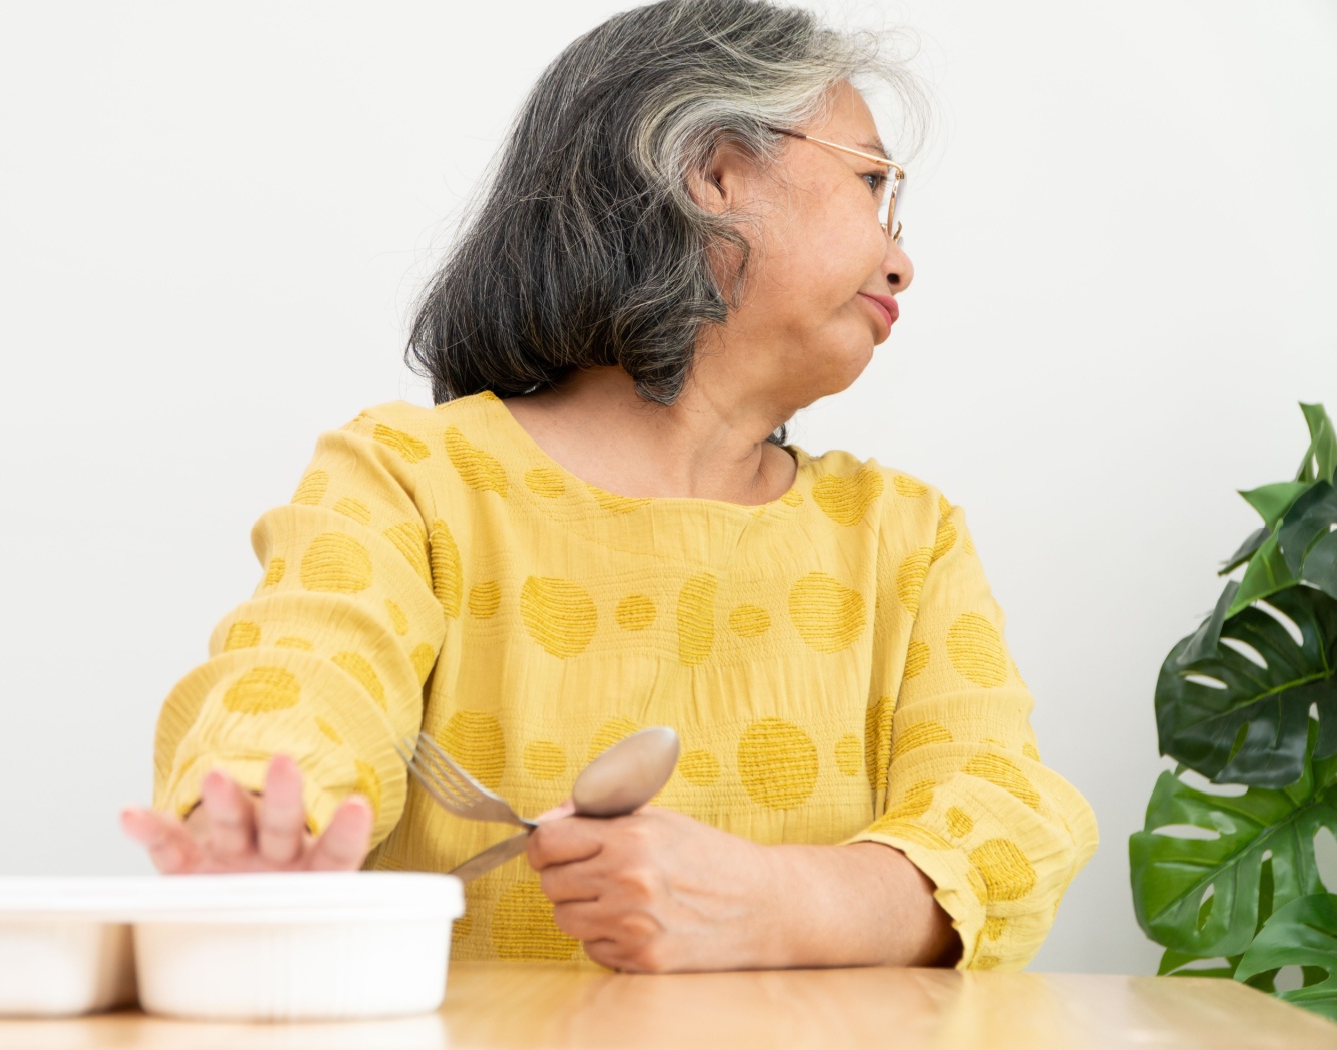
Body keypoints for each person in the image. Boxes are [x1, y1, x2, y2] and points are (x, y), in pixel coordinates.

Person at [119, 0, 1098, 974]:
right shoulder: (408, 480)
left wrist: (780, 906)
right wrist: (253, 827)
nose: (902, 257)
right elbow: (301, 685)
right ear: (714, 171)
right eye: (872, 181)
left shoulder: (906, 538)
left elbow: (1004, 817)